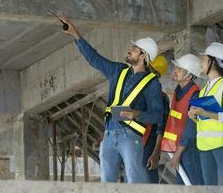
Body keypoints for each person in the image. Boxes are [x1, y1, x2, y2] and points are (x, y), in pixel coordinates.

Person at [61, 16, 164, 183]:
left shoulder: (152, 84)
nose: (130, 50)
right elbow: (94, 58)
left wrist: (136, 114)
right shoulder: (118, 71)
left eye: (134, 48)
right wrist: (76, 35)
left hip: (131, 137)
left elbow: (158, 115)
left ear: (144, 56)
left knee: (134, 182)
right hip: (109, 136)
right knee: (106, 183)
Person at [189, 42, 223, 186]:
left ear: (214, 62)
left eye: (204, 59)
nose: (201, 63)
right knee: (209, 188)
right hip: (205, 145)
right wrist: (195, 117)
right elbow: (206, 121)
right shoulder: (204, 90)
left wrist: (204, 112)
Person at [161, 54, 203, 185]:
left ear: (189, 76)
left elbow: (191, 128)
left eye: (179, 69)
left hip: (190, 150)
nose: (175, 71)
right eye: (177, 68)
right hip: (179, 148)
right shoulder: (177, 91)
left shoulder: (196, 95)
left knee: (196, 187)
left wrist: (178, 153)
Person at [142, 55, 170, 183]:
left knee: (148, 184)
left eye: (149, 69)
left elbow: (161, 128)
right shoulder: (138, 93)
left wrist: (155, 154)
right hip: (135, 144)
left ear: (156, 75)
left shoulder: (161, 97)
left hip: (149, 145)